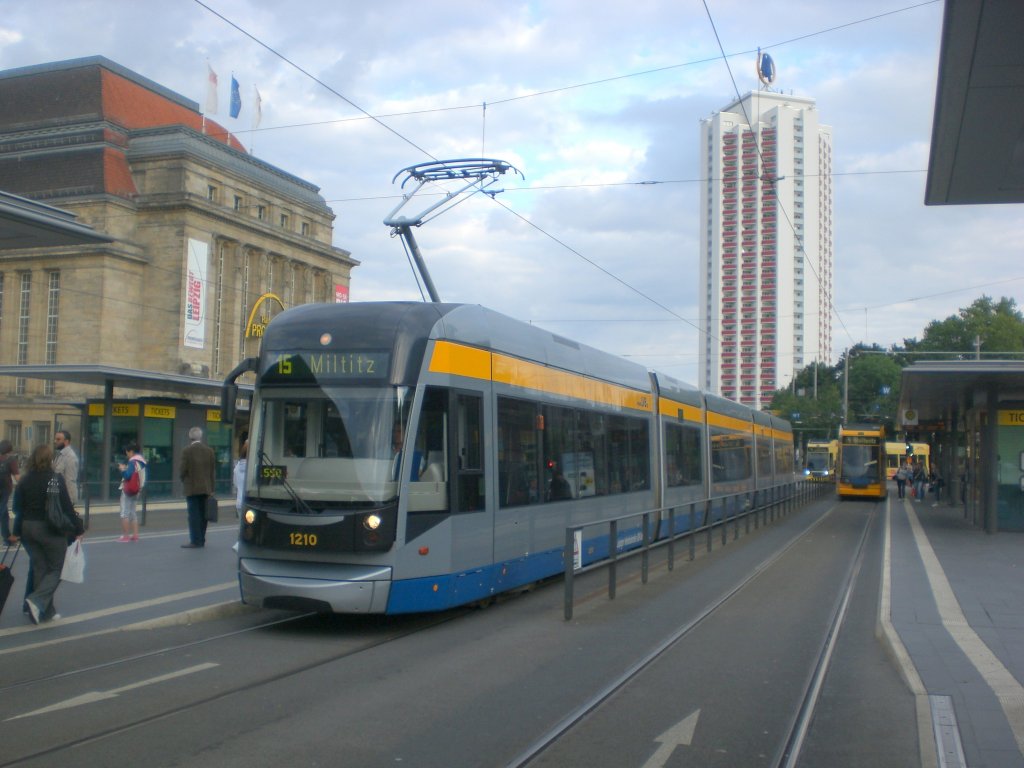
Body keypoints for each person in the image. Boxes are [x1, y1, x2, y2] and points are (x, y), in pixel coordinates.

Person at [11, 443, 83, 624]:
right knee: (58, 568)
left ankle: (45, 611)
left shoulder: (25, 480)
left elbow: (16, 508)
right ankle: (36, 601)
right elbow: (66, 507)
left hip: (28, 528)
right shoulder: (54, 478)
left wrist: (16, 531)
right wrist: (78, 529)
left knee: (39, 568)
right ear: (51, 459)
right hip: (49, 528)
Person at [180, 426, 216, 548]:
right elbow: (212, 471)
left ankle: (195, 540)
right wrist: (212, 488)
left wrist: (183, 480)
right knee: (203, 514)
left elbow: (182, 470)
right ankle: (202, 538)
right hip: (206, 488)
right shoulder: (209, 451)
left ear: (190, 437)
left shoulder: (187, 451)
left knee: (193, 515)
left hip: (191, 488)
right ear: (201, 437)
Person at [116, 442, 146, 542]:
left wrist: (122, 469)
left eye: (127, 452)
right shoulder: (141, 461)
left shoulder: (132, 462)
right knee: (133, 512)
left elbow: (128, 476)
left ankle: (125, 536)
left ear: (131, 452)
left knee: (124, 513)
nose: (127, 455)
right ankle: (135, 535)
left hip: (128, 490)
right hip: (137, 490)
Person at [52, 430, 79, 506]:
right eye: (55, 439)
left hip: (65, 498)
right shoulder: (60, 454)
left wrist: (70, 501)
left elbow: (70, 480)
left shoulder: (70, 457)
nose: (55, 441)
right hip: (58, 496)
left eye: (58, 439)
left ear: (66, 441)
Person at [0, 439, 20, 543]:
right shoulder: (11, 460)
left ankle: (7, 535)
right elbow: (17, 477)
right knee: (3, 511)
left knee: (3, 512)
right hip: (4, 489)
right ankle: (7, 537)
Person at [233, 439, 248, 518]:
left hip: (239, 502)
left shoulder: (237, 468)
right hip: (251, 503)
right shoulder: (253, 468)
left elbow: (235, 484)